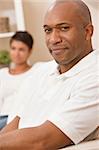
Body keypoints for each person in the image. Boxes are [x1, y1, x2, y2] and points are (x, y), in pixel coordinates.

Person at [0, 0, 99, 149]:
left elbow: (43, 140)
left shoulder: (94, 76)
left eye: (64, 28)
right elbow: (17, 122)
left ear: (87, 32)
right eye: (48, 30)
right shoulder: (42, 71)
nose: (54, 39)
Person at [0, 31, 34, 120]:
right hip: (2, 116)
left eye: (21, 49)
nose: (16, 53)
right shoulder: (2, 73)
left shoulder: (36, 71)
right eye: (13, 48)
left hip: (21, 117)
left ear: (30, 51)